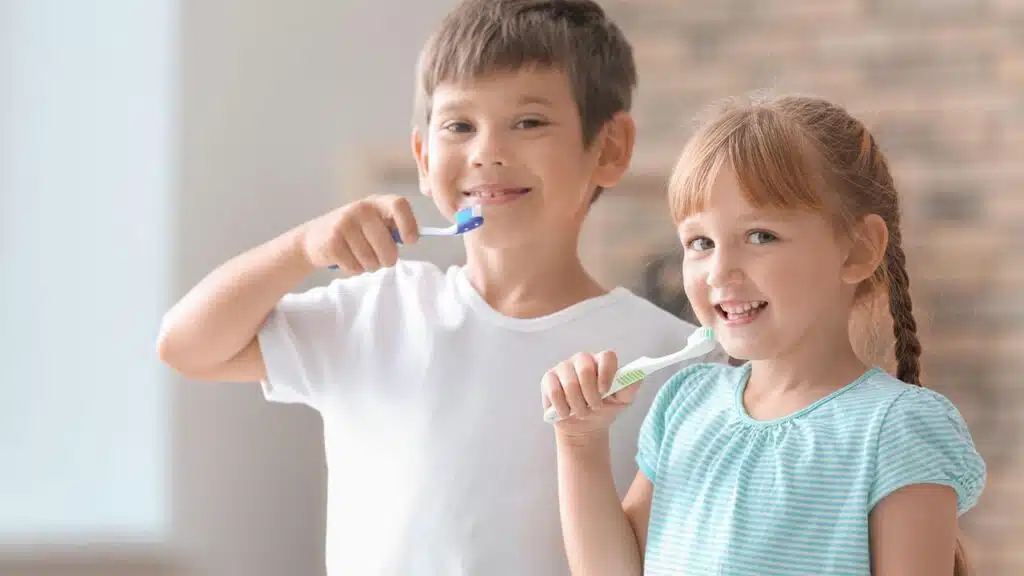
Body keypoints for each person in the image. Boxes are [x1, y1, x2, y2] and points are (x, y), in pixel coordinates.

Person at [156, 1, 725, 574]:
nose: (487, 152)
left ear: (609, 148)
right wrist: (302, 247)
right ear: (424, 158)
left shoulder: (671, 360)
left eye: (528, 122)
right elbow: (187, 345)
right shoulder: (377, 311)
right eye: (459, 126)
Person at [543, 94, 987, 575]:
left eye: (760, 236)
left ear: (858, 250)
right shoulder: (685, 405)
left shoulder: (897, 427)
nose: (719, 271)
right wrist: (579, 442)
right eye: (700, 242)